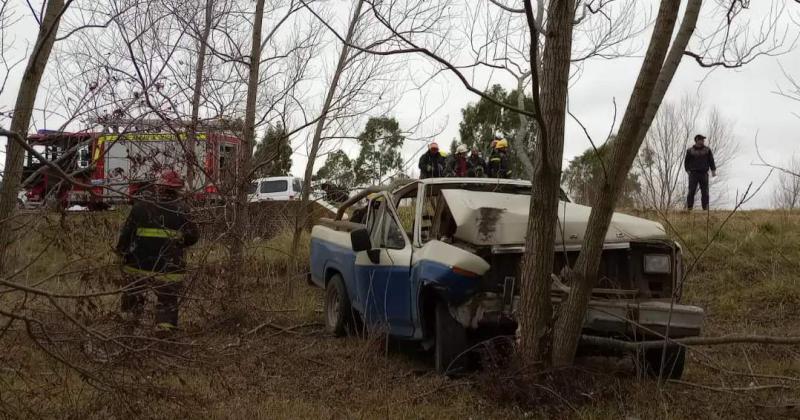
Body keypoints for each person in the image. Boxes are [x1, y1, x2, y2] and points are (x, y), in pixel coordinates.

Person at [116, 169, 199, 334]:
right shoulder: (183, 209)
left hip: (138, 264)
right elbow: (193, 237)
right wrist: (178, 243)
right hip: (169, 266)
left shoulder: (140, 206)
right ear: (177, 189)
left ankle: (128, 330)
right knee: (167, 301)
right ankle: (164, 332)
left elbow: (126, 235)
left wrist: (121, 253)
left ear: (157, 187)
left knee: (133, 296)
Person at [684, 134, 717, 211]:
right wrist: (688, 171)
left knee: (705, 192)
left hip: (704, 174)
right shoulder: (690, 151)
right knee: (691, 191)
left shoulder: (707, 150)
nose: (703, 141)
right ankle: (689, 208)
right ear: (697, 140)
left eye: (703, 140)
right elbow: (686, 162)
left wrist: (713, 171)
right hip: (693, 174)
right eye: (701, 139)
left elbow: (711, 161)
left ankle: (705, 209)